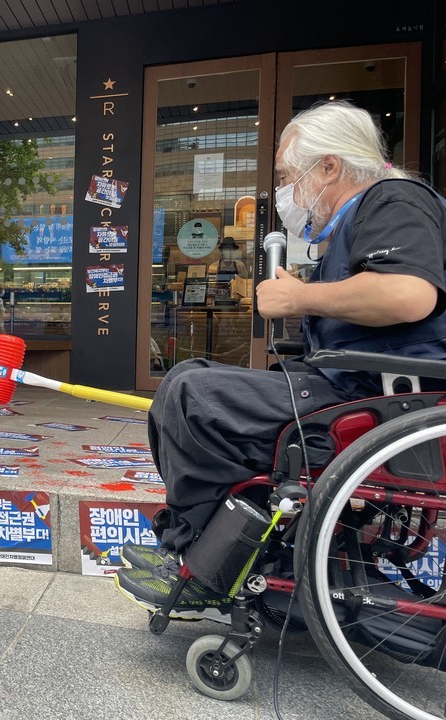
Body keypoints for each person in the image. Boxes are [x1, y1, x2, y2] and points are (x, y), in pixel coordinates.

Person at [116, 100, 446, 617]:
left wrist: (299, 297)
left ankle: (200, 558)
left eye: (290, 176)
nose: (286, 191)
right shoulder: (366, 216)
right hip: (357, 390)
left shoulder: (393, 199)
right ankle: (210, 547)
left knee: (191, 395)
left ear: (330, 166)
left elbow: (408, 295)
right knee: (191, 381)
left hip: (378, 400)